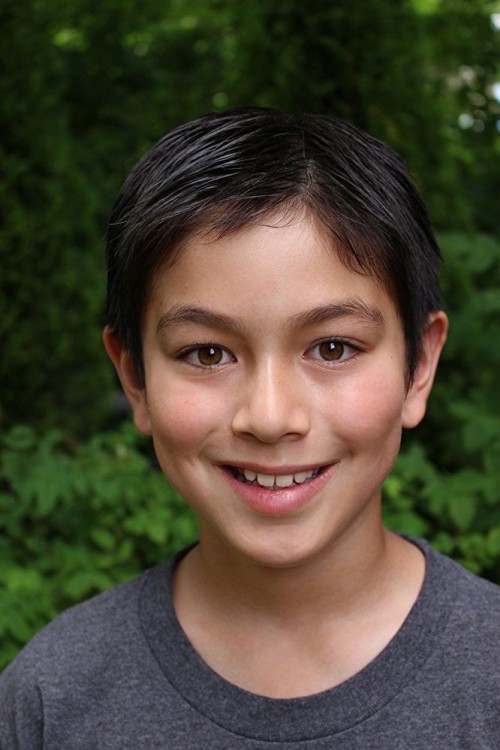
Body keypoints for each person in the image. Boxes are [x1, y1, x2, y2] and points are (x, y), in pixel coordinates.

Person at [1, 107, 499, 749]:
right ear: (134, 379)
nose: (269, 417)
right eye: (207, 353)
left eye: (333, 348)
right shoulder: (51, 702)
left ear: (419, 366)